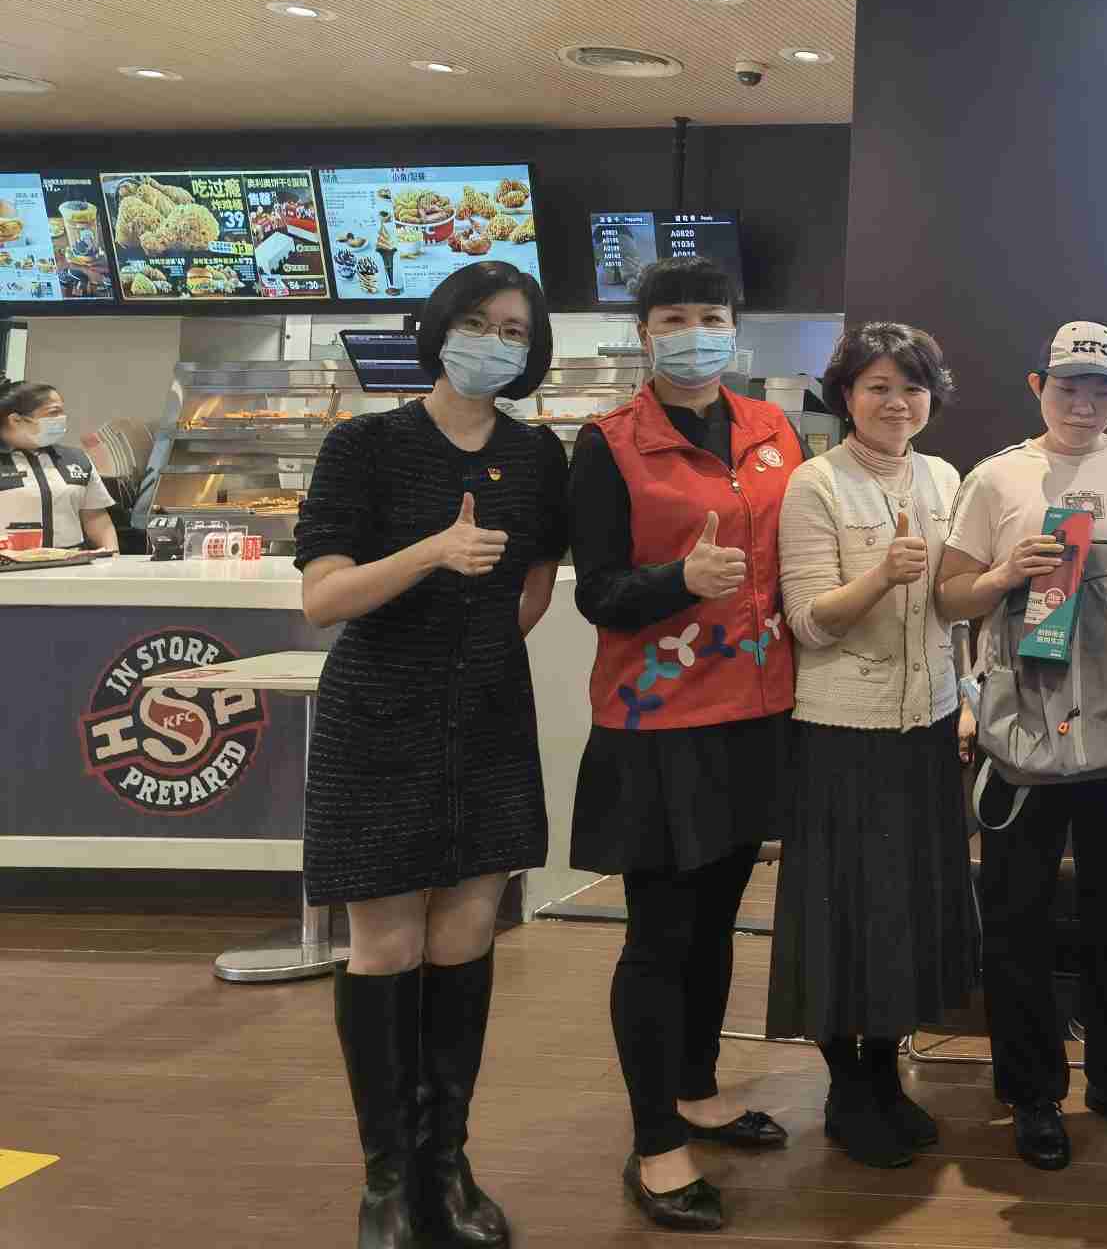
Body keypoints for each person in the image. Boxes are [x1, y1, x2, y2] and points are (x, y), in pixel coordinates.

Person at [294, 264, 570, 1249]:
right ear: (439, 329)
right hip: (378, 715)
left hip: (488, 717)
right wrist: (429, 554)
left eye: (513, 330)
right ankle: (385, 1183)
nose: (494, 342)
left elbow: (535, 583)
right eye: (477, 323)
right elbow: (322, 598)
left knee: (465, 935)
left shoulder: (538, 455)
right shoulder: (363, 444)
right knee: (385, 946)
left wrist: (479, 646)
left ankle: (444, 1164)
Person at [569, 255, 805, 1232]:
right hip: (658, 725)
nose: (694, 333)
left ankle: (699, 1090)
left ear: (734, 327)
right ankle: (655, 1140)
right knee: (660, 936)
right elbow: (597, 592)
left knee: (718, 921)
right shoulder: (608, 443)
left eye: (710, 315)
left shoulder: (772, 429)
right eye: (673, 318)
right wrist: (680, 582)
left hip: (756, 712)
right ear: (644, 334)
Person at [934, 321, 1107, 1173]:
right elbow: (951, 597)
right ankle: (1032, 1093)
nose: (1085, 403)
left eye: (1102, 390)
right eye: (1070, 386)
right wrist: (1006, 574)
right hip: (1022, 741)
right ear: (1038, 386)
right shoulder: (996, 477)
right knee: (1017, 925)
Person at [766, 322, 977, 1170]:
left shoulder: (946, 477)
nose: (896, 403)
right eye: (878, 387)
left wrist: (966, 692)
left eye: (912, 387)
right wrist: (881, 576)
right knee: (840, 912)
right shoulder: (815, 483)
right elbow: (809, 621)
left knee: (906, 909)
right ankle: (846, 1087)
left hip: (928, 725)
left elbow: (951, 608)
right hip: (840, 729)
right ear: (846, 396)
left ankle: (885, 1077)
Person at [0, 380, 118, 552]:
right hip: (9, 563)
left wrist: (113, 555)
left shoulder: (76, 459)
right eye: (53, 412)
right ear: (16, 420)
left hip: (71, 562)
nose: (61, 418)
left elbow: (95, 517)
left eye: (62, 411)